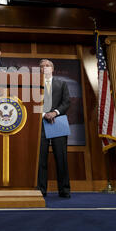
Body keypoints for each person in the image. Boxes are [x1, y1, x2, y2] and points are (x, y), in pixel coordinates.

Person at [37, 59, 71, 198]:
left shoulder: (61, 83)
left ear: (52, 69)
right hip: (40, 124)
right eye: (42, 66)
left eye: (47, 65)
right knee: (41, 159)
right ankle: (41, 190)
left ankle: (64, 190)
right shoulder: (34, 85)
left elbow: (66, 102)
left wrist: (55, 112)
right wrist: (45, 114)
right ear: (40, 70)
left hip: (58, 122)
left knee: (61, 158)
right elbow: (31, 103)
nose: (45, 67)